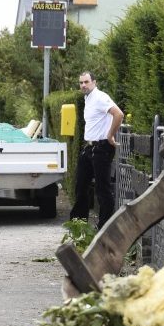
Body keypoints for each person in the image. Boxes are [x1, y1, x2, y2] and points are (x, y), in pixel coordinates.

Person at [70, 71, 124, 228]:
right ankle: (78, 227)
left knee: (103, 189)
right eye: (81, 83)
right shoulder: (88, 99)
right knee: (81, 186)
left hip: (102, 147)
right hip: (90, 147)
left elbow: (118, 114)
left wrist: (110, 135)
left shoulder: (100, 97)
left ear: (94, 82)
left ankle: (105, 227)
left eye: (86, 82)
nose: (83, 85)